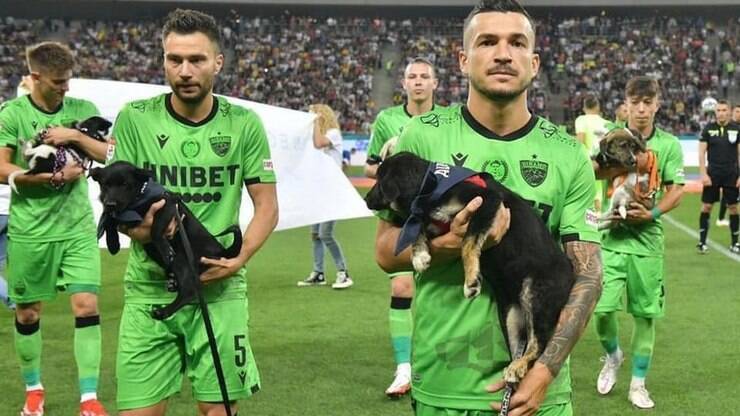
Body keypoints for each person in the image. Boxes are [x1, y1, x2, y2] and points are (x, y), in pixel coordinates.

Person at [373, 1, 603, 414]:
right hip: (444, 383)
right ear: (463, 59)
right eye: (487, 42)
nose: (502, 53)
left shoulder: (568, 154)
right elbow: (385, 252)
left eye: (516, 43)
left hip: (539, 394)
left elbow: (587, 276)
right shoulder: (421, 137)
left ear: (533, 63)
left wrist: (544, 371)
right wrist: (453, 244)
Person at [110, 9, 278, 415]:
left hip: (219, 292)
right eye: (175, 60)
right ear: (164, 60)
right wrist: (141, 230)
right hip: (149, 291)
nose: (184, 70)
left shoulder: (244, 124)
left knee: (218, 411)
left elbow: (267, 207)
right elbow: (119, 206)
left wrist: (239, 259)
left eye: (197, 60)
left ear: (217, 62)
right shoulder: (134, 119)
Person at [0, 41, 109, 416]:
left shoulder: (82, 111)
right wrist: (45, 177)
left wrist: (74, 136)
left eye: (68, 80)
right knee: (28, 313)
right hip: (31, 230)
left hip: (77, 227)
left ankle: (90, 400)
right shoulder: (11, 114)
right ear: (34, 78)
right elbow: (0, 166)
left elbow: (110, 152)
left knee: (87, 305)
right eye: (57, 82)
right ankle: (34, 391)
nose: (65, 88)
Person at [593, 76, 685, 409]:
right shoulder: (610, 137)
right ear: (626, 104)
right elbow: (591, 171)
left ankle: (638, 384)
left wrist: (652, 213)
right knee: (601, 311)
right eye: (636, 102)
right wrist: (621, 159)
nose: (642, 109)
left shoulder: (669, 145)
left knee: (645, 315)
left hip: (647, 243)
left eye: (648, 102)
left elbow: (676, 189)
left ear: (657, 104)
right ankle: (613, 355)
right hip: (612, 238)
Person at [365, 57, 442, 397]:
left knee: (438, 291)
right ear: (404, 83)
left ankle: (433, 362)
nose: (419, 82)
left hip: (438, 214)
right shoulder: (387, 120)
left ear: (435, 83)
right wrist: (388, 163)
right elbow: (370, 169)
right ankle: (403, 369)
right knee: (401, 289)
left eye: (425, 76)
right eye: (413, 76)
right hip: (399, 215)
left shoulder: (447, 122)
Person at [297, 104, 353, 289]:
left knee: (325, 233)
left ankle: (343, 272)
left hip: (332, 190)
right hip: (318, 190)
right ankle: (318, 272)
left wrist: (313, 122)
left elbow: (319, 143)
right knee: (315, 235)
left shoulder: (333, 133)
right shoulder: (317, 135)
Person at [696, 100, 739, 253]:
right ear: (715, 112)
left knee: (733, 208)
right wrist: (703, 173)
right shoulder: (708, 129)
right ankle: (702, 242)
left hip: (731, 174)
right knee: (707, 206)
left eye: (724, 110)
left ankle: (735, 243)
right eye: (718, 110)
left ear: (729, 111)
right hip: (712, 174)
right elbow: (701, 153)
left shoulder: (736, 129)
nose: (721, 113)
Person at [575, 93, 609, 211]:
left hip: (587, 162)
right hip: (603, 163)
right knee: (599, 197)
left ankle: (590, 223)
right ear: (598, 107)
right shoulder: (606, 123)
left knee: (586, 198)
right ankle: (598, 223)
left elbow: (580, 142)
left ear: (584, 108)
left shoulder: (581, 120)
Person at [716, 104, 740, 227]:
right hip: (732, 167)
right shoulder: (730, 128)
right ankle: (721, 217)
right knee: (728, 194)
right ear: (732, 112)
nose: (739, 114)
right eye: (737, 111)